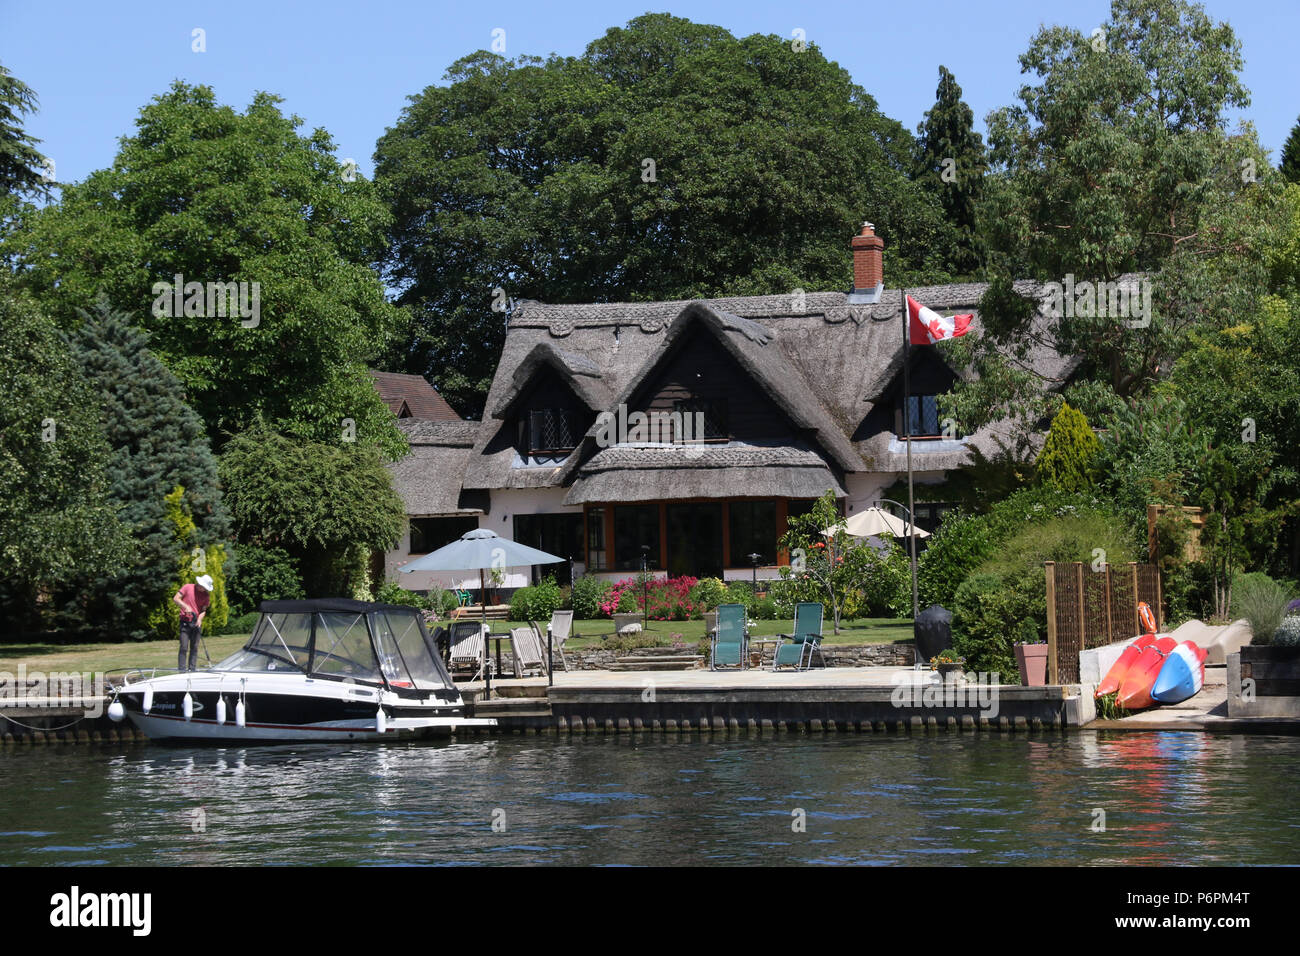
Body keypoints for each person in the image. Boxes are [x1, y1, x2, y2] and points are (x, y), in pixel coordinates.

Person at [173, 575, 214, 672]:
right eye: (203, 587)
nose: (203, 589)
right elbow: (176, 598)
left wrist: (199, 619)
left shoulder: (206, 595)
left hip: (196, 623)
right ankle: (182, 670)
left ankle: (192, 669)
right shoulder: (187, 587)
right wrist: (185, 606)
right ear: (199, 584)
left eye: (205, 588)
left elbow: (203, 610)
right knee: (183, 647)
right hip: (185, 622)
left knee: (194, 647)